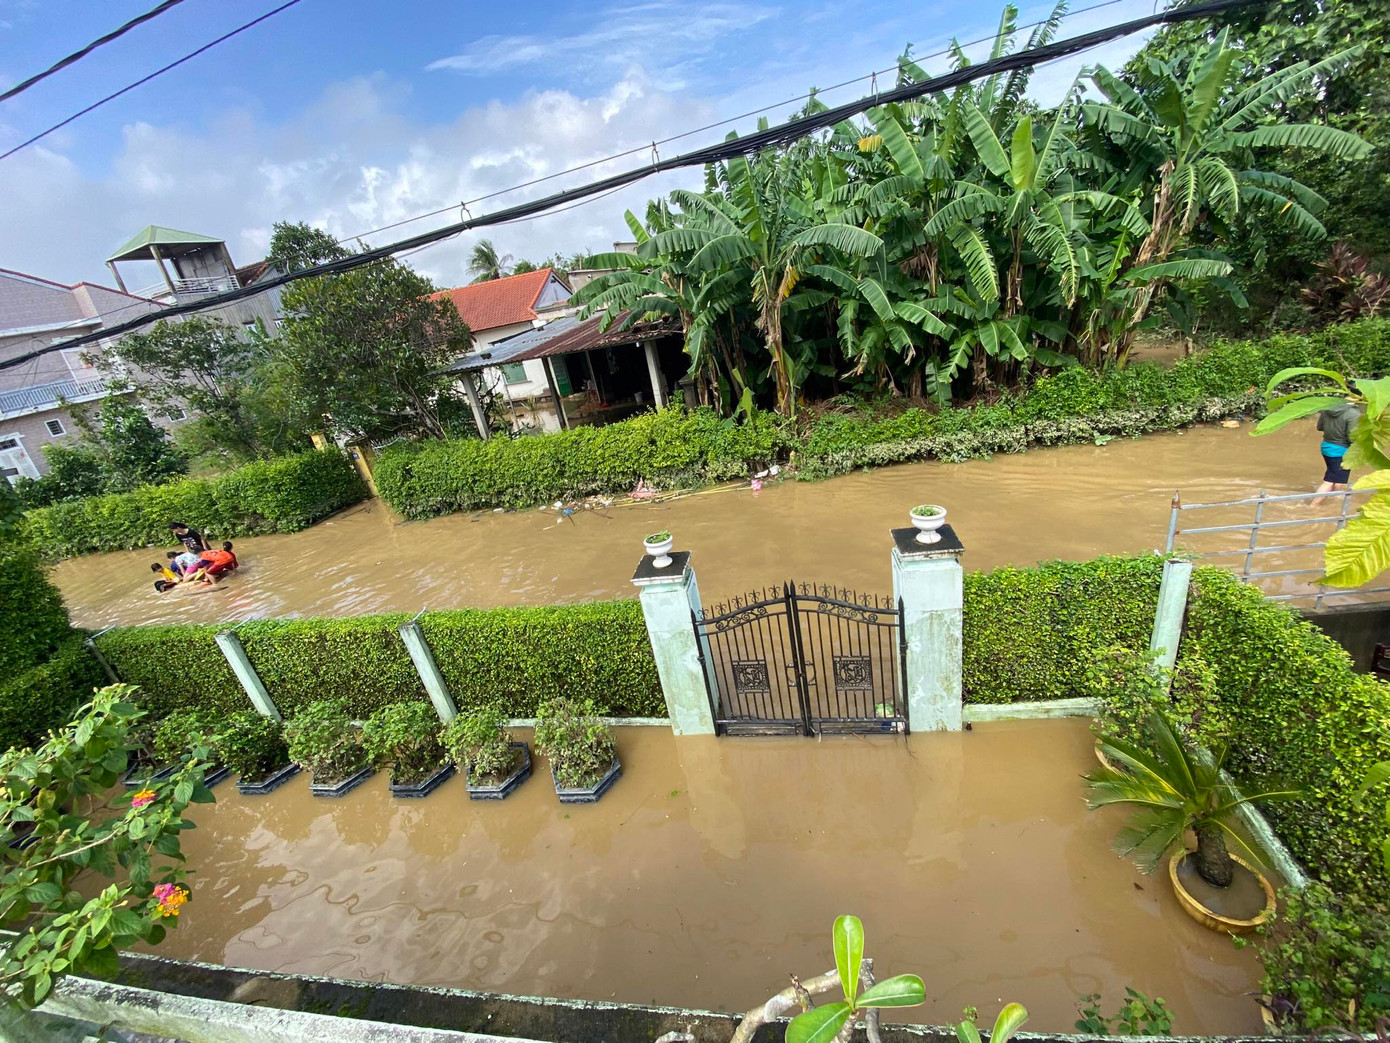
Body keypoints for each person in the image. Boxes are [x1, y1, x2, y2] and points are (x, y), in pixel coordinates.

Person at [1315, 400, 1361, 506]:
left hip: (1326, 446)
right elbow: (1352, 437)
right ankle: (1313, 506)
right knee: (1329, 482)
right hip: (1341, 451)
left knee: (1338, 478)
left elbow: (1319, 427)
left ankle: (1335, 501)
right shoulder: (1353, 413)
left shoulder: (1328, 406)